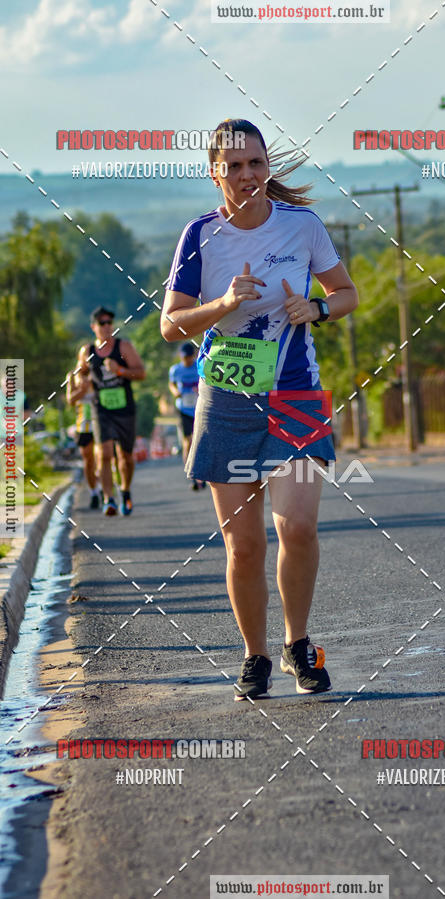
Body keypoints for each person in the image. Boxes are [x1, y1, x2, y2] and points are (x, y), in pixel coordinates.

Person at [161, 119, 358, 701]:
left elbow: (346, 293)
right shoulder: (200, 236)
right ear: (214, 172)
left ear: (267, 166)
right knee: (243, 545)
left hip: (295, 391)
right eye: (235, 166)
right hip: (227, 396)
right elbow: (171, 325)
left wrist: (316, 311)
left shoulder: (302, 226)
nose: (247, 175)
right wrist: (222, 303)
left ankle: (300, 645)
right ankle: (255, 656)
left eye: (256, 163)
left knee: (297, 525)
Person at [77, 307, 146, 516]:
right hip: (101, 408)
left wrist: (120, 370)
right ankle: (109, 499)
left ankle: (124, 491)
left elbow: (141, 373)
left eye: (109, 322)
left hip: (124, 408)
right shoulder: (87, 351)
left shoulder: (123, 347)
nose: (107, 326)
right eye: (102, 323)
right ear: (93, 327)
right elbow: (80, 372)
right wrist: (82, 380)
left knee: (125, 456)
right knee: (105, 453)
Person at [168, 342, 206, 490]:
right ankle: (192, 476)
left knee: (201, 442)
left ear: (193, 355)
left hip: (198, 408)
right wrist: (175, 392)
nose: (186, 360)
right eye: (184, 358)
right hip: (184, 409)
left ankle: (202, 476)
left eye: (189, 357)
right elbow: (172, 384)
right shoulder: (175, 370)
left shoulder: (199, 365)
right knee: (187, 442)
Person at [66, 370, 100, 508]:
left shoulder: (99, 372)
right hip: (84, 426)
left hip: (100, 422)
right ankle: (94, 492)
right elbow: (70, 400)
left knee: (102, 458)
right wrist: (83, 389)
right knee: (89, 461)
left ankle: (105, 488)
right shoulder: (73, 376)